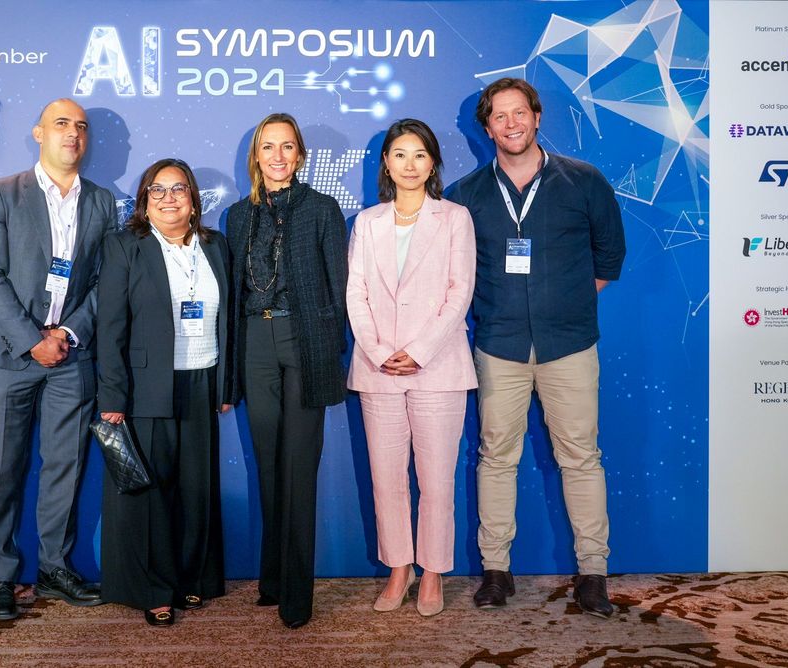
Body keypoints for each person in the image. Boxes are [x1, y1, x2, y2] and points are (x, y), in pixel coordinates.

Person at [445, 77, 626, 617]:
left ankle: (593, 573)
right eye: (499, 116)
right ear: (487, 127)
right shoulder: (466, 196)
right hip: (499, 347)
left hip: (568, 346)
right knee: (496, 458)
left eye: (519, 112)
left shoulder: (584, 181)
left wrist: (562, 303)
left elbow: (608, 258)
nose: (511, 124)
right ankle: (495, 570)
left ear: (537, 116)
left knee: (582, 458)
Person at [0, 98, 117, 620]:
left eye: (81, 126)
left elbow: (105, 280)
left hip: (72, 355)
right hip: (10, 353)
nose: (72, 133)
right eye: (61, 124)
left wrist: (68, 333)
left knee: (65, 465)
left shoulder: (102, 201)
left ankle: (55, 568)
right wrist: (32, 338)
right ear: (38, 133)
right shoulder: (2, 192)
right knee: (4, 468)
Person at [346, 118, 476, 617]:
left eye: (420, 154)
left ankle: (434, 572)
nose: (410, 164)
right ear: (386, 162)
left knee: (436, 480)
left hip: (438, 368)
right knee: (387, 479)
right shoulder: (367, 222)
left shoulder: (455, 218)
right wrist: (379, 351)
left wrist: (419, 350)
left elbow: (459, 292)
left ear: (433, 163)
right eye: (400, 154)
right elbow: (355, 292)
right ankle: (399, 568)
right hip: (378, 369)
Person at [96, 159, 232, 626]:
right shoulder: (124, 246)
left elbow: (229, 319)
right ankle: (154, 589)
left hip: (202, 381)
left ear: (193, 199)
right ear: (144, 200)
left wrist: (226, 383)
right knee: (150, 494)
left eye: (178, 189)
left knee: (196, 489)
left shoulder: (215, 246)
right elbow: (110, 327)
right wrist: (112, 398)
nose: (169, 198)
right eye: (158, 190)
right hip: (144, 387)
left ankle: (191, 578)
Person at [225, 113, 347, 629]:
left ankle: (297, 595)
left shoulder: (322, 209)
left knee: (298, 468)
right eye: (268, 147)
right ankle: (272, 579)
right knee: (268, 465)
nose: (278, 156)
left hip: (304, 341)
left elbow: (339, 287)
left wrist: (331, 352)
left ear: (300, 155)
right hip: (255, 342)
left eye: (287, 147)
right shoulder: (237, 216)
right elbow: (233, 296)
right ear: (256, 156)